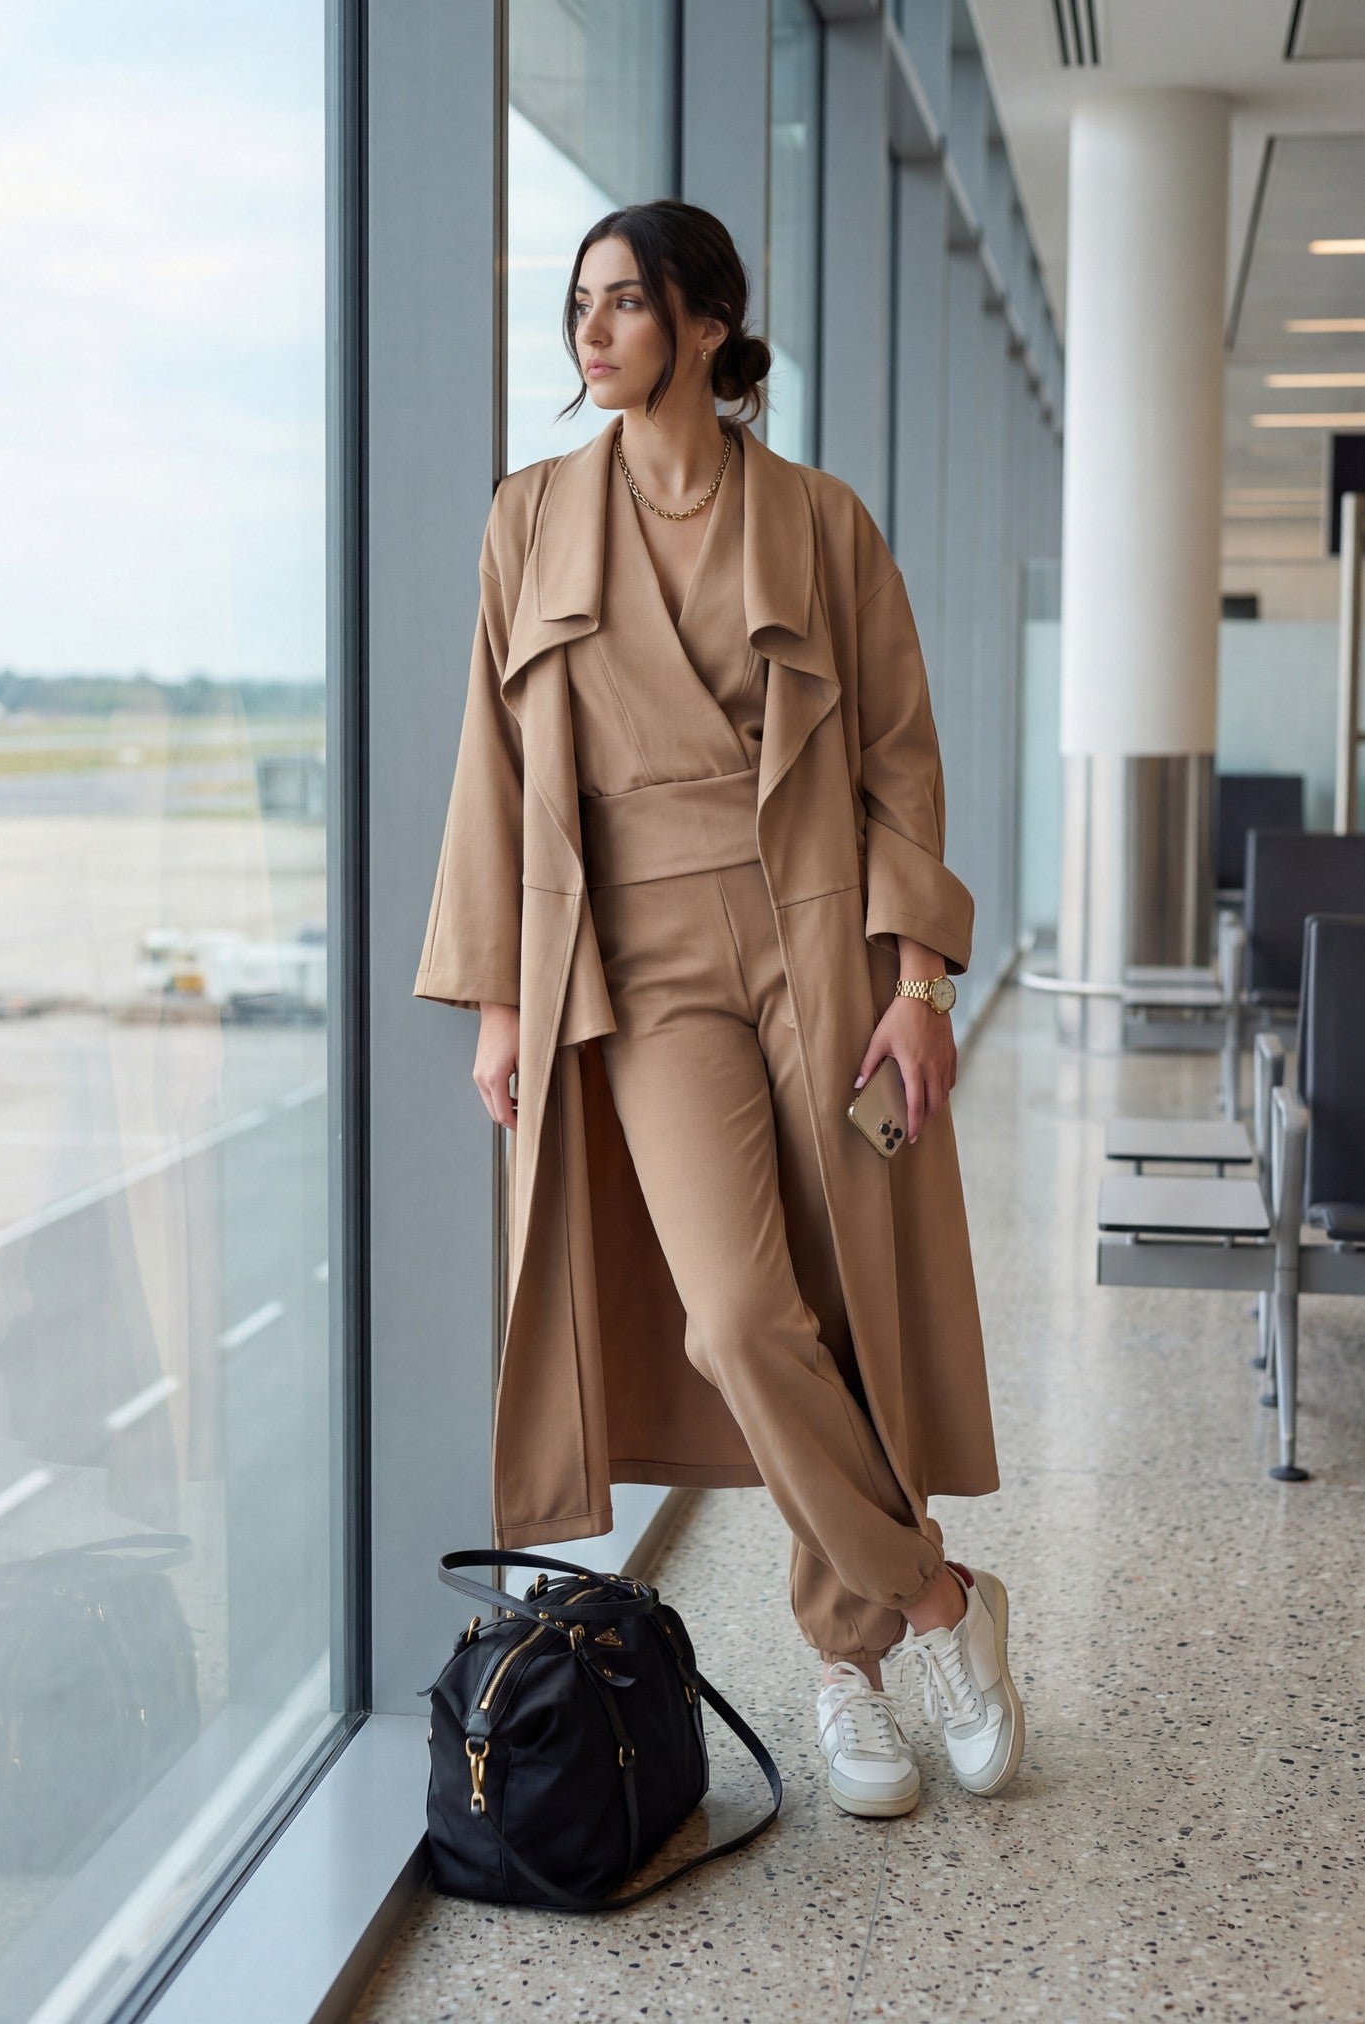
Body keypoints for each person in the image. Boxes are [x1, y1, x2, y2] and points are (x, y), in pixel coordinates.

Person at [414, 197, 1023, 1817]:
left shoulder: (820, 521)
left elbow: (899, 762)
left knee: (845, 1301)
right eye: (579, 304)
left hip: (817, 934)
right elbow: (491, 762)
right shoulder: (531, 516)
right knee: (739, 1315)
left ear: (706, 324)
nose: (591, 331)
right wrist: (497, 999)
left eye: (624, 302)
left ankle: (845, 1665)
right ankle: (939, 1599)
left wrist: (919, 981)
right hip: (639, 963)